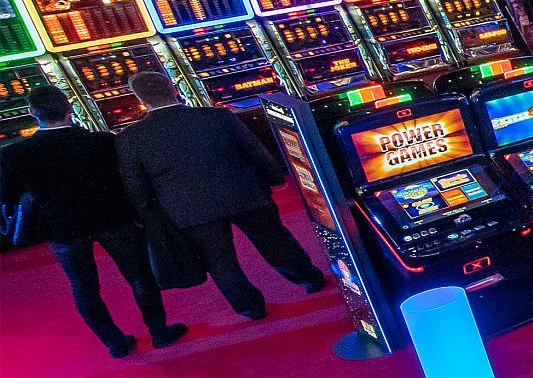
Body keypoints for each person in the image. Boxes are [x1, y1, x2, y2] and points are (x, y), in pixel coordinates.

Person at [118, 72, 326, 320]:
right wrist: (274, 177)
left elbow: (135, 182)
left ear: (141, 100)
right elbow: (254, 150)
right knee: (274, 241)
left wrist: (143, 212)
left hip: (189, 208)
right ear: (174, 89)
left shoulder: (130, 137)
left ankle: (250, 307)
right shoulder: (217, 116)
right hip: (243, 191)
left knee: (219, 261)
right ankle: (309, 279)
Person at [3, 86, 186, 357]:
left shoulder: (14, 153)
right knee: (139, 276)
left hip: (63, 227)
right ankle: (159, 331)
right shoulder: (102, 141)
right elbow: (125, 179)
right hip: (114, 217)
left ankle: (115, 343)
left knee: (84, 287)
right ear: (70, 107)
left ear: (32, 112)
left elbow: (8, 196)